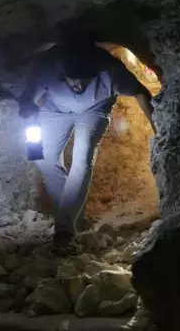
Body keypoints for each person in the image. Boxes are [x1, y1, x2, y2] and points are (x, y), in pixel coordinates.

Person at [18, 35, 157, 250]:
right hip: (55, 109)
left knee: (82, 160)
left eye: (87, 79)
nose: (80, 85)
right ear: (62, 71)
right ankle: (74, 215)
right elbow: (28, 98)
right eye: (74, 79)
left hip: (94, 109)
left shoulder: (109, 68)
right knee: (42, 159)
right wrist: (28, 109)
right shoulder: (47, 66)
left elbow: (140, 91)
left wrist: (157, 128)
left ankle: (64, 228)